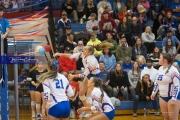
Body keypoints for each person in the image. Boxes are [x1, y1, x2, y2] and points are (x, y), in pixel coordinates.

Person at [53, 43, 113, 112]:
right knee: (81, 95)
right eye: (84, 48)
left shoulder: (92, 61)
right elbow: (71, 56)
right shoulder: (83, 54)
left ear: (90, 52)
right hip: (89, 74)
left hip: (95, 76)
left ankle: (90, 112)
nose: (83, 50)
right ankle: (87, 110)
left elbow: (85, 74)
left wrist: (73, 76)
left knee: (88, 95)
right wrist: (60, 54)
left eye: (85, 49)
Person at [151, 53, 180, 120]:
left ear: (165, 60)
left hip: (172, 97)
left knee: (172, 118)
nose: (159, 59)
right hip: (162, 97)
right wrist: (154, 92)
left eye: (160, 57)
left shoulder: (174, 70)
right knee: (166, 118)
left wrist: (173, 98)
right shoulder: (160, 68)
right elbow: (157, 82)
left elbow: (177, 86)